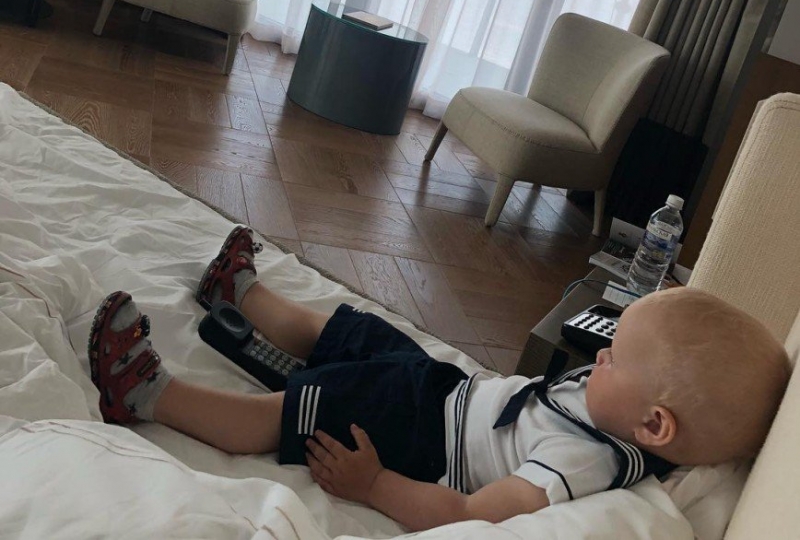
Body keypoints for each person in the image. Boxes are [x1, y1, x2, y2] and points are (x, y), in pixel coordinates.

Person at [88, 226, 791, 532]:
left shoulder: (583, 462)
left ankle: (147, 394)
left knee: (293, 410)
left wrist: (375, 486)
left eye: (615, 358)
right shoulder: (620, 407)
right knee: (349, 331)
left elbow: (470, 514)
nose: (598, 357)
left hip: (425, 439)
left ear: (656, 425)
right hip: (446, 390)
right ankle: (240, 292)